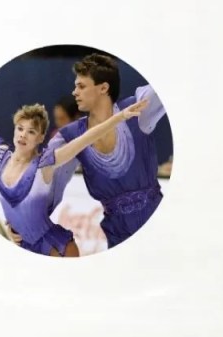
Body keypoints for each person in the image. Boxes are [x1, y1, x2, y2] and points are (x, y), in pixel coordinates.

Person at [0, 98, 147, 257]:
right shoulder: (0, 156)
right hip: (20, 247)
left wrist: (120, 116)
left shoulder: (45, 164)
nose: (23, 134)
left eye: (31, 131)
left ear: (40, 137)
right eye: (20, 128)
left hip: (56, 248)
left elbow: (86, 138)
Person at [47, 53, 168, 249]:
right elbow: (42, 179)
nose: (74, 92)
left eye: (81, 86)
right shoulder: (70, 135)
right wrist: (22, 221)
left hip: (156, 220)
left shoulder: (137, 109)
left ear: (103, 88)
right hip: (116, 232)